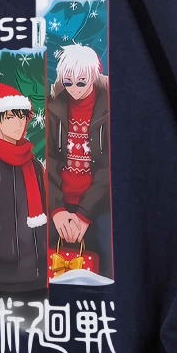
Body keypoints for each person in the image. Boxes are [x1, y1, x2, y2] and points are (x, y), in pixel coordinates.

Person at [46, 43, 112, 279]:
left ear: (94, 75)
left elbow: (109, 168)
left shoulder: (109, 109)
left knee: (107, 256)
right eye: (68, 82)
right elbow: (48, 161)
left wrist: (84, 214)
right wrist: (56, 209)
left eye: (81, 82)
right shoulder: (53, 108)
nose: (74, 88)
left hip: (99, 203)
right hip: (59, 200)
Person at [0, 83, 48, 297]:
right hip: (0, 271)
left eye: (22, 117)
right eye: (10, 117)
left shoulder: (34, 165)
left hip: (37, 269)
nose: (19, 123)